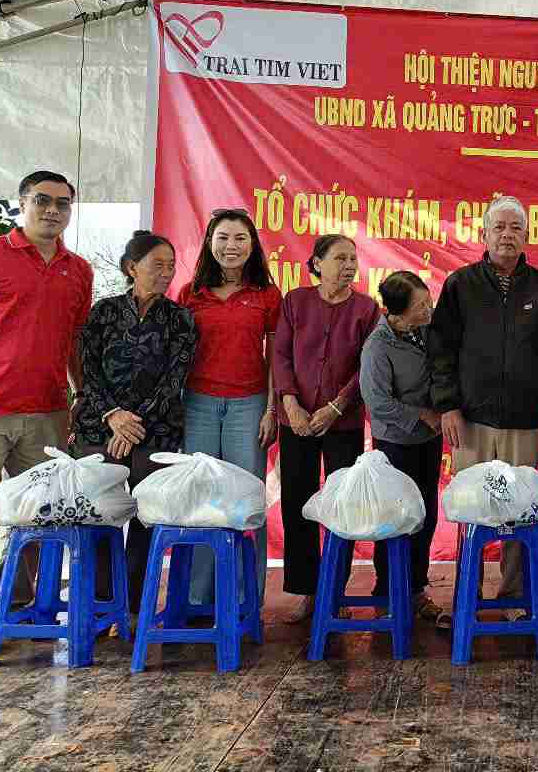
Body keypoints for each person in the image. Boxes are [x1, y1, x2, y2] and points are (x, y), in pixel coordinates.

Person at [0, 171, 93, 658]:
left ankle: (18, 607)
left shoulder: (78, 270)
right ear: (21, 204)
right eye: (42, 201)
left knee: (34, 521)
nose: (52, 210)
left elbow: (74, 342)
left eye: (62, 204)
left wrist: (82, 393)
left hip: (47, 413)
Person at [427, 196, 538, 612]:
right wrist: (447, 405)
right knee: (473, 509)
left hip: (524, 421)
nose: (507, 234)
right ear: (484, 234)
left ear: (527, 236)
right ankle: (466, 596)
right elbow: (441, 350)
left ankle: (514, 596)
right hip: (471, 419)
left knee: (519, 511)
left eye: (515, 228)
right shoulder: (460, 285)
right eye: (499, 227)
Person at [74, 231, 197, 615]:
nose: (166, 273)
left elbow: (174, 379)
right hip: (101, 427)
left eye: (171, 266)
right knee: (97, 514)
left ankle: (134, 606)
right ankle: (100, 604)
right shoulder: (104, 312)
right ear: (132, 268)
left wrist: (134, 424)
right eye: (156, 265)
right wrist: (114, 416)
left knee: (147, 515)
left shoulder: (180, 318)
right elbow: (87, 370)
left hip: (154, 429)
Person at [177, 208, 281, 609]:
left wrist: (270, 409)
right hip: (198, 405)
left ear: (252, 245)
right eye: (223, 237)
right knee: (201, 499)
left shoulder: (267, 295)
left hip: (249, 406)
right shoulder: (190, 293)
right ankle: (197, 598)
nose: (231, 246)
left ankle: (245, 598)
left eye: (240, 238)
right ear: (209, 243)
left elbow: (276, 357)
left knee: (245, 501)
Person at [273, 234, 380, 624]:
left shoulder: (367, 310)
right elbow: (280, 355)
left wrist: (335, 407)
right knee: (298, 503)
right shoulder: (295, 302)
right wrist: (290, 403)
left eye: (353, 259)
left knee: (341, 507)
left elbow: (365, 368)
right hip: (295, 419)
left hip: (343, 422)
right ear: (317, 263)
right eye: (340, 258)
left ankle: (334, 590)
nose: (349, 265)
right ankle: (307, 592)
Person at [359, 271, 447, 627]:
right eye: (420, 306)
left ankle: (415, 591)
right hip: (396, 445)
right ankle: (386, 593)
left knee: (424, 518)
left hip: (428, 441)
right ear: (395, 314)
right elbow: (377, 402)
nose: (428, 310)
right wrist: (422, 414)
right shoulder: (378, 347)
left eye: (428, 301)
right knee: (394, 521)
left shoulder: (426, 331)